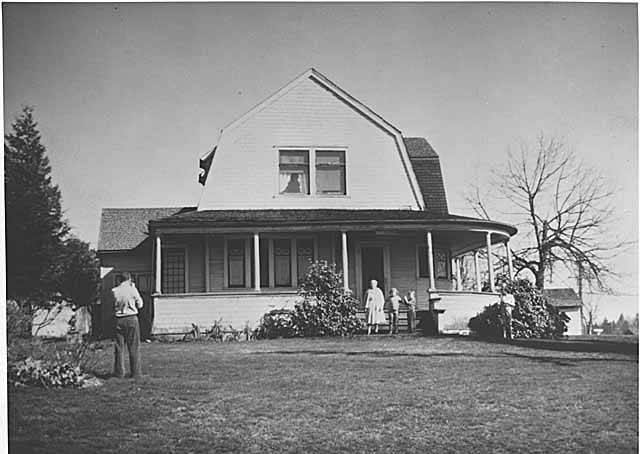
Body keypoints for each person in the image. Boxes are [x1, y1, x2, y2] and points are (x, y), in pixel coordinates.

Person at [112, 272, 143, 378]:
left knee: (119, 347)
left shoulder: (115, 291)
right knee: (133, 346)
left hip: (119, 319)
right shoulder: (132, 290)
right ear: (129, 279)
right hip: (131, 318)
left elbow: (114, 304)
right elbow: (140, 304)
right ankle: (136, 372)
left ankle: (119, 372)